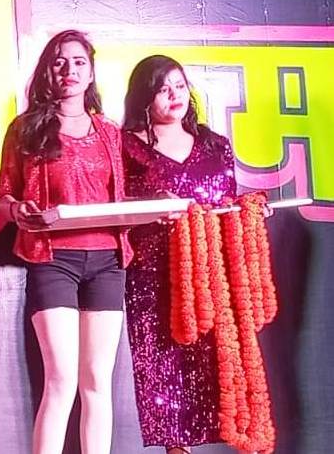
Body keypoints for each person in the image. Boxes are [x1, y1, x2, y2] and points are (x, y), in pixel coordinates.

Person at [0, 29, 129, 454]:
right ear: (47, 72)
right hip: (52, 258)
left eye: (78, 62)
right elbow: (4, 196)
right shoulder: (26, 128)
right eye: (59, 62)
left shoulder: (110, 131)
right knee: (61, 380)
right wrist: (17, 210)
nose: (69, 70)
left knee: (97, 381)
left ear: (91, 73)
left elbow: (126, 193)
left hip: (107, 260)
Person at [120, 55, 244, 453]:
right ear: (144, 97)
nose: (174, 95)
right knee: (163, 369)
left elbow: (229, 201)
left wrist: (249, 211)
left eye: (179, 86)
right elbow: (116, 203)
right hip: (152, 275)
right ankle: (175, 449)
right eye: (162, 89)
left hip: (208, 274)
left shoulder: (214, 145)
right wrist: (151, 203)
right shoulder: (126, 147)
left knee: (213, 367)